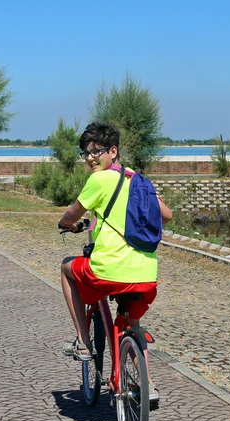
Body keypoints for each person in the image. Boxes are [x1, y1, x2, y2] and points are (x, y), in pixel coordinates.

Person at [58, 122, 172, 402]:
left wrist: (65, 224)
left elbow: (72, 215)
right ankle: (150, 387)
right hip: (146, 275)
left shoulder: (99, 180)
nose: (90, 158)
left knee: (66, 267)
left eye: (96, 151)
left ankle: (84, 343)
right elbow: (166, 215)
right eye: (85, 152)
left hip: (107, 271)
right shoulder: (139, 179)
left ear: (113, 151)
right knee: (130, 324)